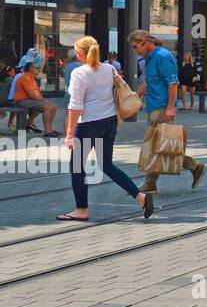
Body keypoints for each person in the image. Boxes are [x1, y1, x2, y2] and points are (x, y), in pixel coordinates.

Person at [59, 36, 154, 222]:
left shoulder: (80, 73)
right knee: (106, 165)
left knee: (77, 166)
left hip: (88, 125)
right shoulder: (109, 68)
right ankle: (140, 197)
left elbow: (75, 105)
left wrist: (69, 134)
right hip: (109, 122)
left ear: (79, 53)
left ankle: (81, 209)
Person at [130, 30, 207, 194]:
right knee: (162, 146)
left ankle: (150, 183)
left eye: (136, 47)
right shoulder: (150, 57)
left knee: (157, 146)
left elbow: (172, 82)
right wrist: (135, 97)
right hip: (154, 106)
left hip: (162, 107)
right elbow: (150, 82)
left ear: (145, 42)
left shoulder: (161, 56)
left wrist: (171, 107)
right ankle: (195, 168)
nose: (135, 51)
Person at [11, 61, 55, 135]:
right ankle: (47, 131)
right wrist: (44, 102)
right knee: (47, 107)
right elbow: (32, 94)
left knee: (53, 107)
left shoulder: (32, 78)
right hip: (21, 100)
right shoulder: (25, 77)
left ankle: (50, 129)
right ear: (31, 68)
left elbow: (37, 93)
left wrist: (43, 101)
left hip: (28, 100)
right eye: (37, 68)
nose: (39, 69)